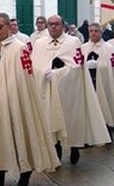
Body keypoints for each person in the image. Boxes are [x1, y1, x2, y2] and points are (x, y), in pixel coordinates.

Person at [0, 13, 60, 186]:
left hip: (13, 104)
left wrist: (7, 97)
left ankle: (24, 176)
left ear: (8, 27)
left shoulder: (20, 49)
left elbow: (24, 81)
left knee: (18, 139)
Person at [31, 14, 111, 165]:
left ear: (63, 26)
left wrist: (58, 74)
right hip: (47, 89)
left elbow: (77, 66)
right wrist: (44, 72)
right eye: (50, 24)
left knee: (70, 119)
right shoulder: (40, 43)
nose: (53, 27)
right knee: (49, 119)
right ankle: (56, 149)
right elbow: (35, 65)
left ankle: (74, 146)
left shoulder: (72, 42)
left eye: (56, 24)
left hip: (68, 90)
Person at [82, 22, 114, 139]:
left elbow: (111, 66)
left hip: (103, 81)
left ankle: (106, 133)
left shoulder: (109, 48)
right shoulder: (83, 48)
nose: (93, 33)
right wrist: (86, 65)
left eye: (96, 31)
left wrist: (99, 65)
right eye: (91, 31)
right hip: (88, 82)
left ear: (101, 32)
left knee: (103, 105)